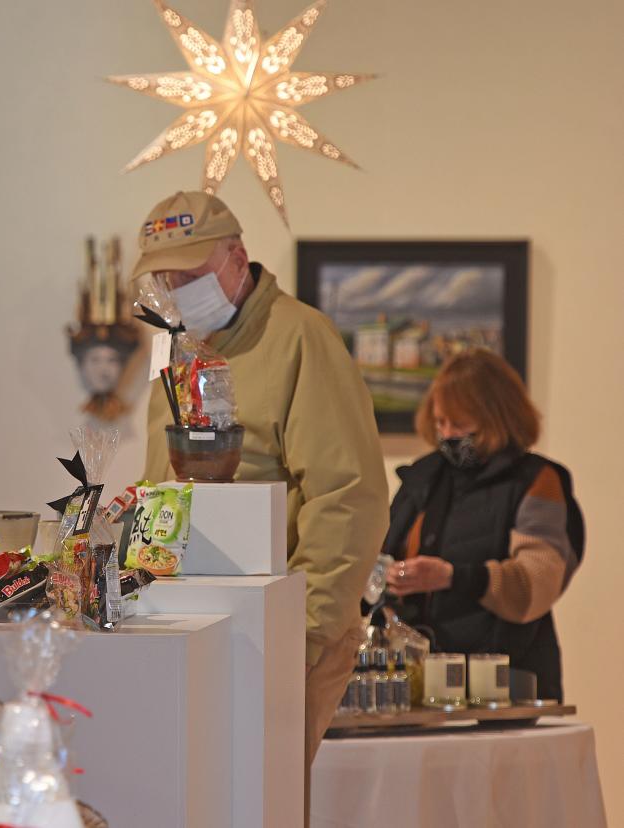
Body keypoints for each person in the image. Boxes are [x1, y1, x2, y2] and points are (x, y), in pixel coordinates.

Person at [136, 191, 389, 818]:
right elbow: (157, 486)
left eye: (191, 273)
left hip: (282, 631)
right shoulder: (176, 350)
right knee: (189, 803)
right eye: (165, 276)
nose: (177, 288)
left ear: (238, 256)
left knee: (253, 803)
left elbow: (347, 497)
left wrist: (301, 635)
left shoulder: (302, 337)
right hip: (188, 626)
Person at [383, 349, 583, 701]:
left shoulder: (538, 480)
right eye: (441, 422)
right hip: (421, 685)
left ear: (496, 417)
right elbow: (381, 553)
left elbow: (535, 585)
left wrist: (452, 577)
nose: (447, 435)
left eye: (459, 424)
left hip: (510, 686)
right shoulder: (422, 477)